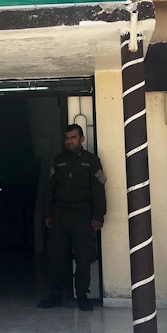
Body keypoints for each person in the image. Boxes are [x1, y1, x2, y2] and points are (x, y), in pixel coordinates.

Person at [37, 124, 107, 312]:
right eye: (67, 138)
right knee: (56, 256)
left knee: (83, 258)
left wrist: (98, 216)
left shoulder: (91, 161)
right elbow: (50, 189)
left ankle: (82, 296)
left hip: (82, 215)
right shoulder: (59, 160)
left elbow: (98, 190)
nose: (70, 141)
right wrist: (47, 213)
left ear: (82, 139)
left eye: (74, 137)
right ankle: (55, 295)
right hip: (60, 215)